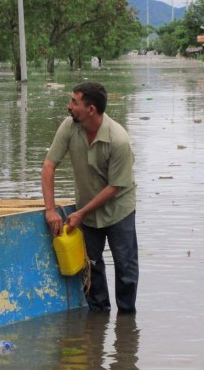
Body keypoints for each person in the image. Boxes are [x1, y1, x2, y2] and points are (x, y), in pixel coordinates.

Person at [41, 81, 138, 313]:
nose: (69, 106)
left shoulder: (118, 140)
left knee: (125, 267)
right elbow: (48, 165)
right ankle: (99, 318)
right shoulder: (69, 127)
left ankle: (126, 324)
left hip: (118, 210)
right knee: (91, 266)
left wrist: (81, 213)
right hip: (86, 209)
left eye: (75, 102)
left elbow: (115, 187)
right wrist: (50, 209)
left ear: (91, 109)